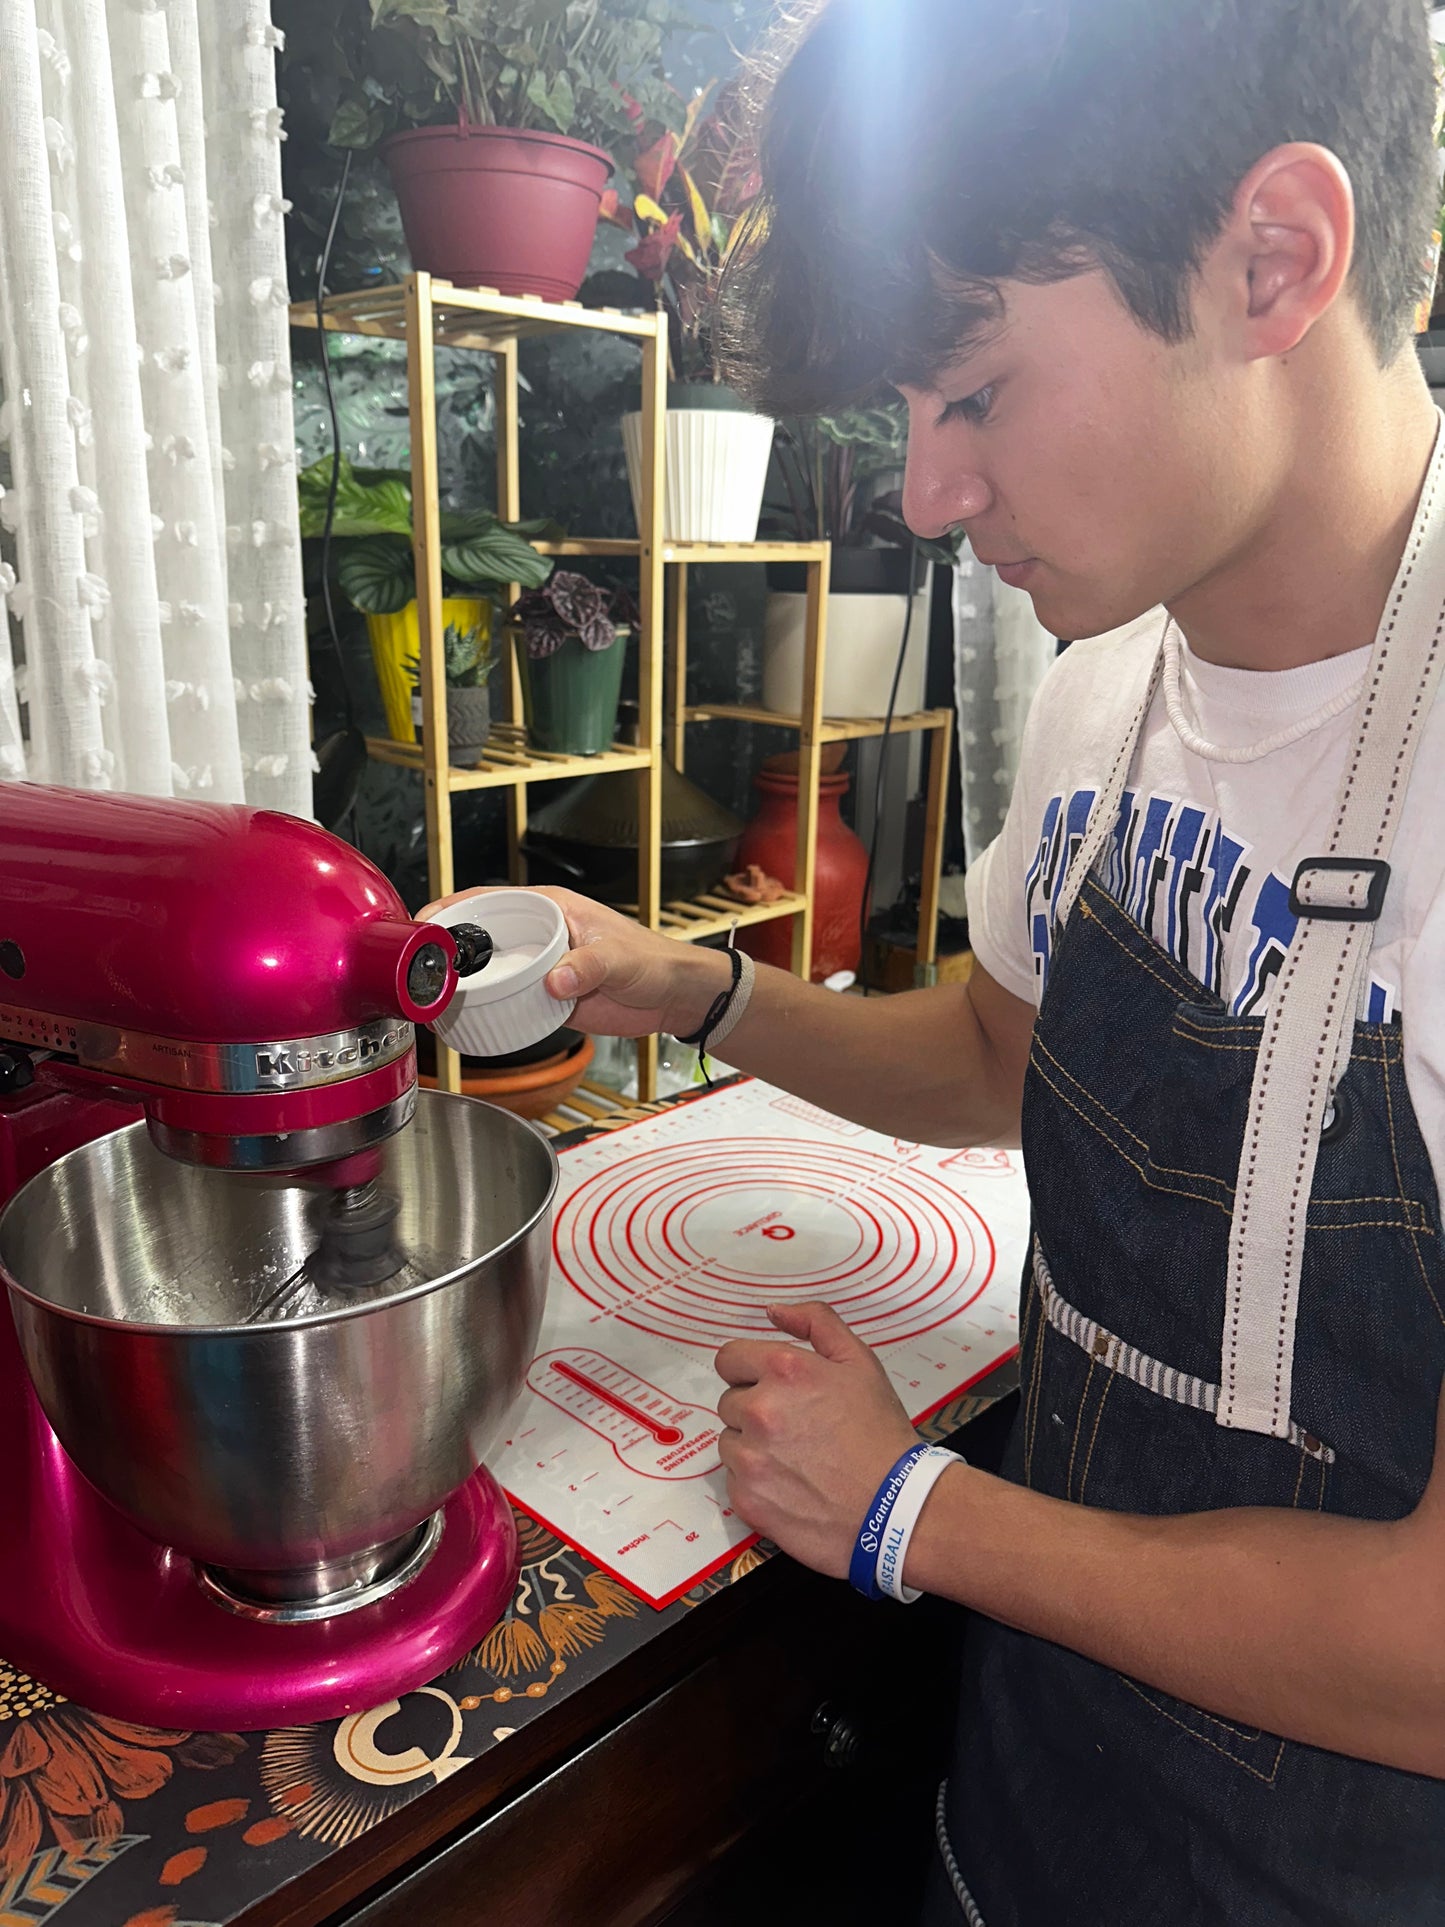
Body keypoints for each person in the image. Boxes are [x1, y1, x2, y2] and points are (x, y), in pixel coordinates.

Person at [431, 1, 1445, 1917]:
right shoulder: (1106, 685)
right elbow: (1002, 1055)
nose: (922, 498)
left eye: (970, 387)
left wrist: (914, 1510)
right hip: (1034, 1792)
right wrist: (696, 986)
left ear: (1273, 260)